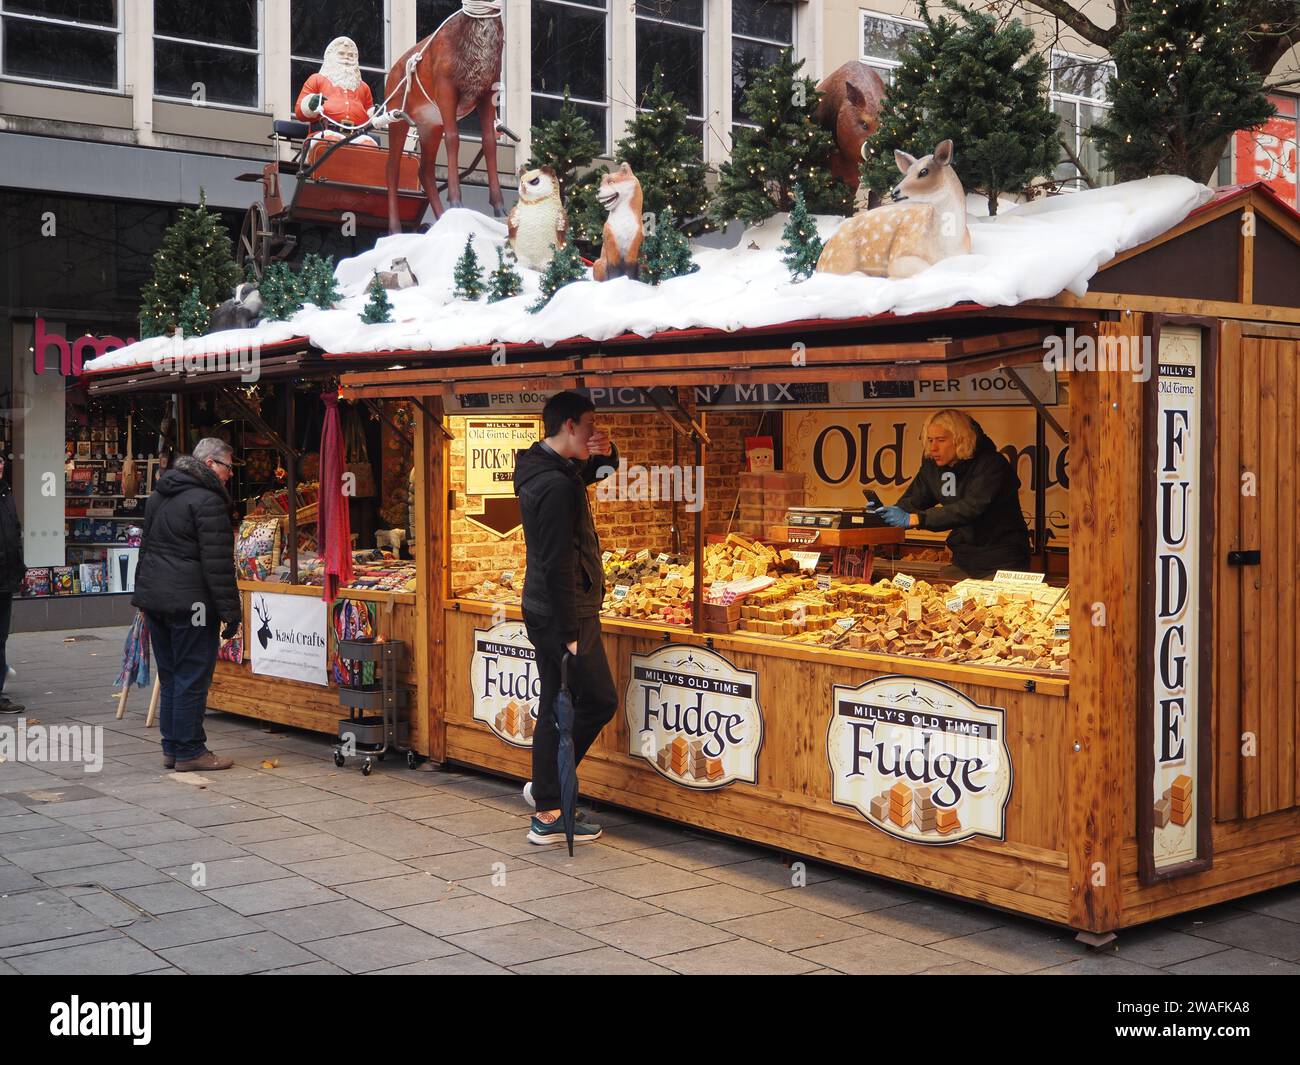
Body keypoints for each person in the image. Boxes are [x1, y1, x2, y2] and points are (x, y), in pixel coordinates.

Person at [514, 392, 619, 845]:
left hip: (554, 608)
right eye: (589, 426)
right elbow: (557, 562)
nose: (594, 433)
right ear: (570, 426)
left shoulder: (544, 467)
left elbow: (596, 474)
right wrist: (569, 632)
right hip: (565, 611)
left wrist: (608, 455)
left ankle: (548, 789)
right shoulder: (555, 485)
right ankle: (548, 812)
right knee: (581, 704)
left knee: (569, 703)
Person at [132, 438, 242, 771]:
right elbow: (217, 563)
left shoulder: (159, 496)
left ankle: (174, 747)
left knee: (172, 675)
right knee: (192, 675)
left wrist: (143, 596)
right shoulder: (207, 501)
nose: (230, 475)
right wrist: (231, 612)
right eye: (228, 467)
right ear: (210, 464)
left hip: (157, 601)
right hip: (192, 603)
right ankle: (191, 750)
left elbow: (146, 550)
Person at [872, 408, 1031, 579]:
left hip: (1003, 560)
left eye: (941, 440)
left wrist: (917, 518)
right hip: (965, 560)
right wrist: (882, 515)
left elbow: (969, 509)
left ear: (960, 440)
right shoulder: (933, 466)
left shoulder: (992, 464)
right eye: (930, 440)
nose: (933, 448)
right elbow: (913, 501)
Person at [294, 36, 378, 146]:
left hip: (357, 136)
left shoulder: (363, 87)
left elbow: (369, 113)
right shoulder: (317, 79)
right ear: (331, 56)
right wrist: (310, 104)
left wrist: (377, 113)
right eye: (341, 54)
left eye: (351, 55)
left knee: (369, 145)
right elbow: (300, 113)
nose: (346, 58)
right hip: (325, 133)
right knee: (331, 141)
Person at [0, 454, 25, 714]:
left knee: (1, 637)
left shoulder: (7, 495)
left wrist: (19, 568)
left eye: (0, 463)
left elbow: (14, 531)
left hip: (6, 579)